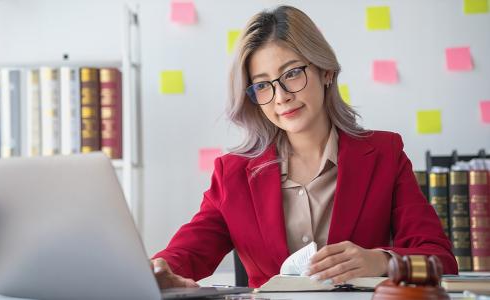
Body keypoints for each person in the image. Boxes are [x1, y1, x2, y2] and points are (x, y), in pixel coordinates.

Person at [152, 5, 458, 288]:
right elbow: (186, 254)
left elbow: (441, 262)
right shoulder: (232, 173)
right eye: (262, 85)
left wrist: (380, 261)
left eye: (292, 73)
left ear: (326, 72)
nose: (281, 96)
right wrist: (158, 271)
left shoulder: (384, 154)